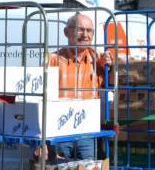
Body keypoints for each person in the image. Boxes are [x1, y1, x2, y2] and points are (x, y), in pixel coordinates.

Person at [47, 12, 112, 160]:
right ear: (66, 32)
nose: (85, 35)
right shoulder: (52, 60)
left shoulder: (98, 59)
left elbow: (114, 86)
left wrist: (111, 68)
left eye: (89, 31)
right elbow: (40, 99)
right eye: (80, 29)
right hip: (60, 131)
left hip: (88, 132)